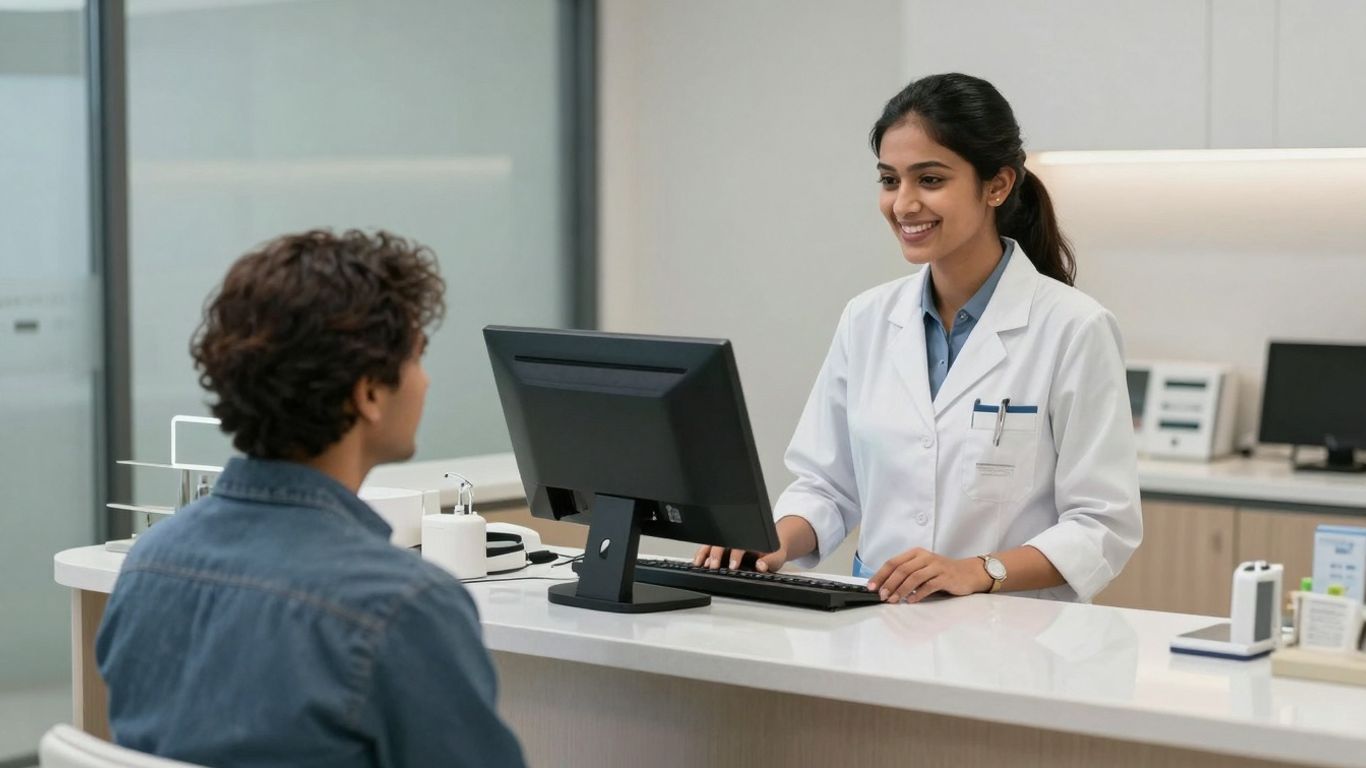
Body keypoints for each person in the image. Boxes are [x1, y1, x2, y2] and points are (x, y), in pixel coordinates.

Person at [696, 73, 1141, 604]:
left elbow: (1101, 525)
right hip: (876, 621)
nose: (903, 204)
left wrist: (978, 570)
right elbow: (828, 486)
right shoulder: (866, 318)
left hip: (1014, 637)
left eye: (929, 180)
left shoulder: (1073, 327)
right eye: (890, 180)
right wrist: (770, 543)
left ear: (996, 185)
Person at [96, 230, 526, 767]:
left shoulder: (148, 565)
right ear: (368, 393)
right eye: (418, 357)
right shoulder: (404, 606)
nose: (427, 380)